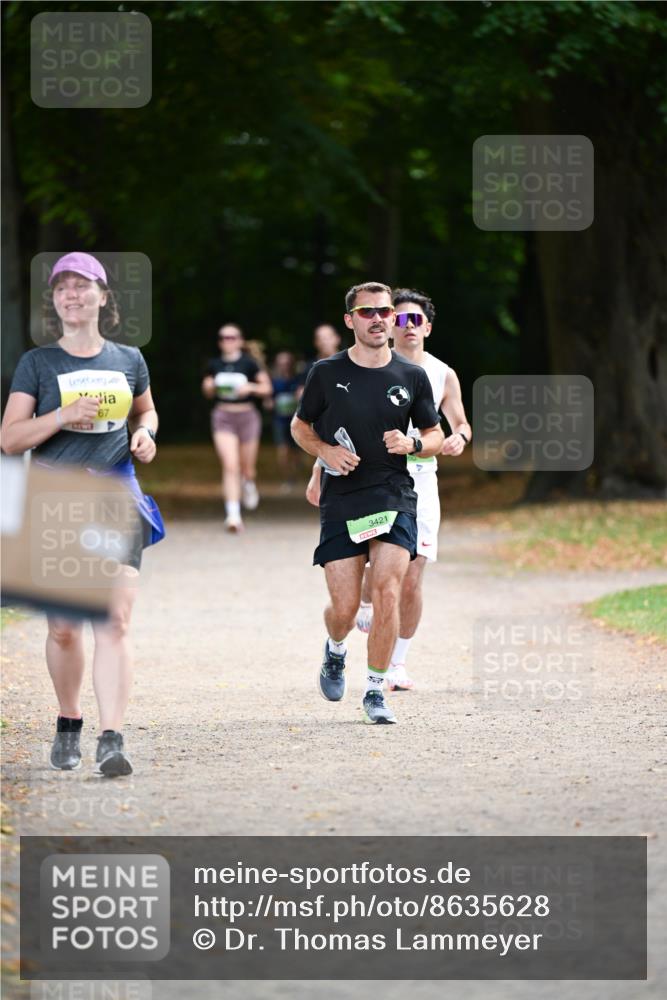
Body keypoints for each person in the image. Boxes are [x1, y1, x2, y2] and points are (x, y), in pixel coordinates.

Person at [1, 251, 163, 778]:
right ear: (54, 301)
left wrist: (145, 435)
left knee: (114, 621)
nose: (72, 294)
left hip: (115, 494)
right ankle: (69, 720)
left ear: (103, 296)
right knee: (66, 629)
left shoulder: (128, 358)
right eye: (62, 288)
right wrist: (62, 415)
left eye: (83, 285)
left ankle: (111, 737)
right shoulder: (38, 363)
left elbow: (146, 409)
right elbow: (10, 440)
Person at [291, 282, 444, 724]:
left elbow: (434, 435)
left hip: (394, 493)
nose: (378, 319)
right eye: (367, 312)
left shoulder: (410, 375)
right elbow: (301, 428)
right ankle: (335, 649)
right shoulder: (325, 372)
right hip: (342, 497)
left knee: (387, 592)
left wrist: (413, 441)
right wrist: (324, 452)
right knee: (343, 609)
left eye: (385, 311)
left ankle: (376, 690)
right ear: (350, 320)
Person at [356, 288, 472, 691]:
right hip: (375, 477)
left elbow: (459, 422)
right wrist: (321, 469)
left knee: (413, 574)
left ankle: (397, 663)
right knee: (378, 568)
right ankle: (366, 598)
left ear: (427, 327)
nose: (407, 327)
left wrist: (459, 435)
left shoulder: (442, 373)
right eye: (399, 319)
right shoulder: (369, 368)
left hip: (421, 480)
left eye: (415, 320)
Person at [202, 323, 272, 532]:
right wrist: (209, 386)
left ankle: (249, 483)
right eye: (223, 338)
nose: (228, 341)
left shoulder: (249, 364)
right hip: (223, 416)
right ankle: (233, 516)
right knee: (231, 465)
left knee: (247, 468)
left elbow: (266, 388)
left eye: (232, 337)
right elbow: (207, 390)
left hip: (247, 416)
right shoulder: (214, 364)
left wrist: (250, 387)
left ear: (240, 340)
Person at [267, 350, 301, 489]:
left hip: (296, 421)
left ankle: (295, 474)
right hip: (279, 421)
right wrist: (269, 403)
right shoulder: (274, 381)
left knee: (296, 452)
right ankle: (288, 478)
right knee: (282, 451)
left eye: (287, 363)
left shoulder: (299, 380)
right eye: (281, 363)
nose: (284, 366)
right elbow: (268, 399)